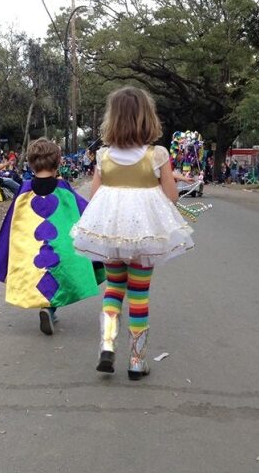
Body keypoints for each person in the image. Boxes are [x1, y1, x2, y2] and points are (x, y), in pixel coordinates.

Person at [71, 87, 194, 380]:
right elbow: (172, 195)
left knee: (113, 289)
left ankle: (107, 344)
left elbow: (96, 195)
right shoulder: (157, 154)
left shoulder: (103, 156)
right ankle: (137, 360)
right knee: (139, 294)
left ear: (112, 119)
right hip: (144, 238)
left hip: (112, 236)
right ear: (146, 118)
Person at [0, 138, 104, 336]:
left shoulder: (24, 190)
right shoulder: (63, 189)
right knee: (57, 273)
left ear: (31, 163)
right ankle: (49, 308)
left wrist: (7, 253)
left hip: (32, 249)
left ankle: (47, 308)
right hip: (61, 249)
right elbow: (84, 212)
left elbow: (11, 224)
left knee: (41, 273)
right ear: (58, 163)